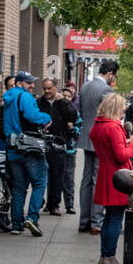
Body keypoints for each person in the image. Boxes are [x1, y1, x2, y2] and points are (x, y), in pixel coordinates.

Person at [89, 92, 133, 264]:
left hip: (105, 172)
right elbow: (121, 156)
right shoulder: (113, 127)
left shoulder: (98, 126)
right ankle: (110, 256)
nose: (123, 111)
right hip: (119, 175)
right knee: (116, 218)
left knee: (108, 217)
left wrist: (125, 142)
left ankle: (105, 255)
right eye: (122, 108)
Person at [2, 70, 52, 236]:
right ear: (19, 83)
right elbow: (33, 116)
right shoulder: (25, 97)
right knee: (39, 183)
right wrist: (46, 118)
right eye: (28, 82)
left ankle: (16, 224)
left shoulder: (8, 99)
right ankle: (32, 218)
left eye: (32, 82)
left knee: (19, 188)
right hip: (29, 147)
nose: (32, 85)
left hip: (13, 149)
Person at [78, 60, 118, 235]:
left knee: (86, 180)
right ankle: (96, 221)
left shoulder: (85, 87)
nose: (114, 79)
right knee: (97, 179)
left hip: (86, 136)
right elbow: (110, 115)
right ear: (110, 73)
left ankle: (84, 220)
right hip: (99, 138)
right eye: (114, 76)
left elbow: (81, 111)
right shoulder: (105, 90)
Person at [38, 78, 75, 216]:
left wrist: (63, 102)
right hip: (42, 143)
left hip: (58, 143)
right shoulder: (39, 103)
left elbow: (73, 115)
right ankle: (41, 202)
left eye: (49, 88)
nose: (46, 91)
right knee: (41, 175)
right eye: (44, 89)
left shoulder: (62, 102)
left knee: (57, 176)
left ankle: (54, 204)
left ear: (55, 87)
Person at [60, 84, 82, 214]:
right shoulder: (55, 111)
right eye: (64, 96)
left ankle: (69, 204)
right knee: (54, 178)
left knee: (69, 178)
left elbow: (78, 131)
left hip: (69, 150)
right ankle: (53, 203)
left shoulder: (74, 113)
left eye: (69, 96)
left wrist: (72, 128)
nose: (67, 98)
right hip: (56, 150)